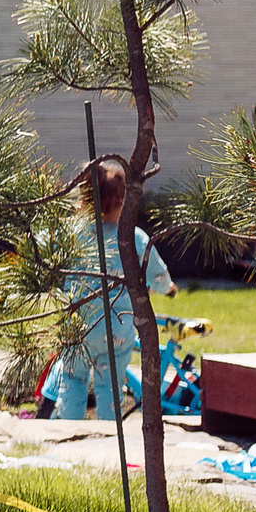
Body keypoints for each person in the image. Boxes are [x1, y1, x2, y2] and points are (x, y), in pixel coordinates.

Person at [45, 158, 177, 419]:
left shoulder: (72, 234)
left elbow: (51, 261)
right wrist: (167, 288)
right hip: (117, 330)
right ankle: (109, 435)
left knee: (72, 380)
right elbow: (158, 274)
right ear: (124, 201)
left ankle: (69, 432)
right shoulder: (134, 237)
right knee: (110, 386)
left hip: (78, 328)